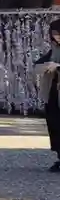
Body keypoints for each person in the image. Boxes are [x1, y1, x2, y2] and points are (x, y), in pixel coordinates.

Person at [30, 19, 60, 173]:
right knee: (55, 123)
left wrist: (58, 67)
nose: (57, 36)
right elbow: (38, 64)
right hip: (53, 92)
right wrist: (45, 66)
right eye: (54, 34)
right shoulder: (54, 50)